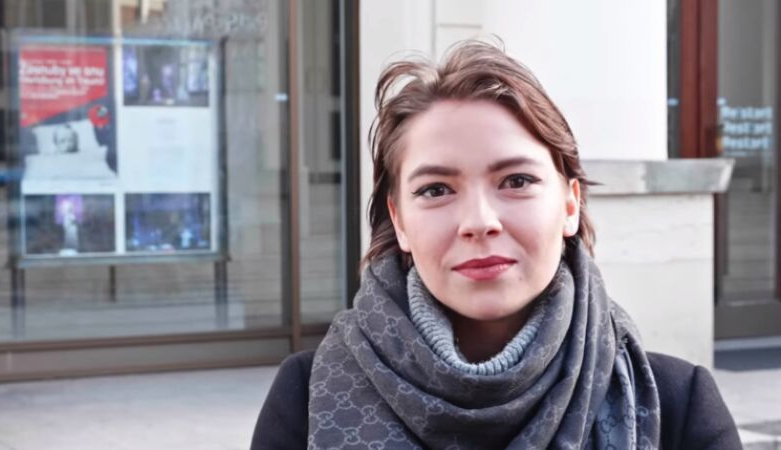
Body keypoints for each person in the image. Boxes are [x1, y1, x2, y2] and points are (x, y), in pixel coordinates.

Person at [252, 41, 740, 449]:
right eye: (436, 190)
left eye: (516, 181)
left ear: (570, 204)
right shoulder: (306, 398)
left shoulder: (678, 407)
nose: (479, 222)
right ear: (399, 221)